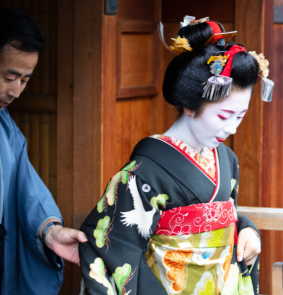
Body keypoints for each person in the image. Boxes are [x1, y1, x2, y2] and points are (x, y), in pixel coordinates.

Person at [79, 17, 267, 295]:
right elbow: (112, 245)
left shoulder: (227, 160)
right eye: (225, 115)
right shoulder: (143, 173)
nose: (233, 127)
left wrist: (247, 230)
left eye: (241, 115)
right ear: (189, 105)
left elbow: (228, 215)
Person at [0, 7, 87, 295]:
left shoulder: (4, 126)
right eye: (9, 77)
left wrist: (51, 231)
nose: (16, 92)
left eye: (25, 80)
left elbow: (27, 189)